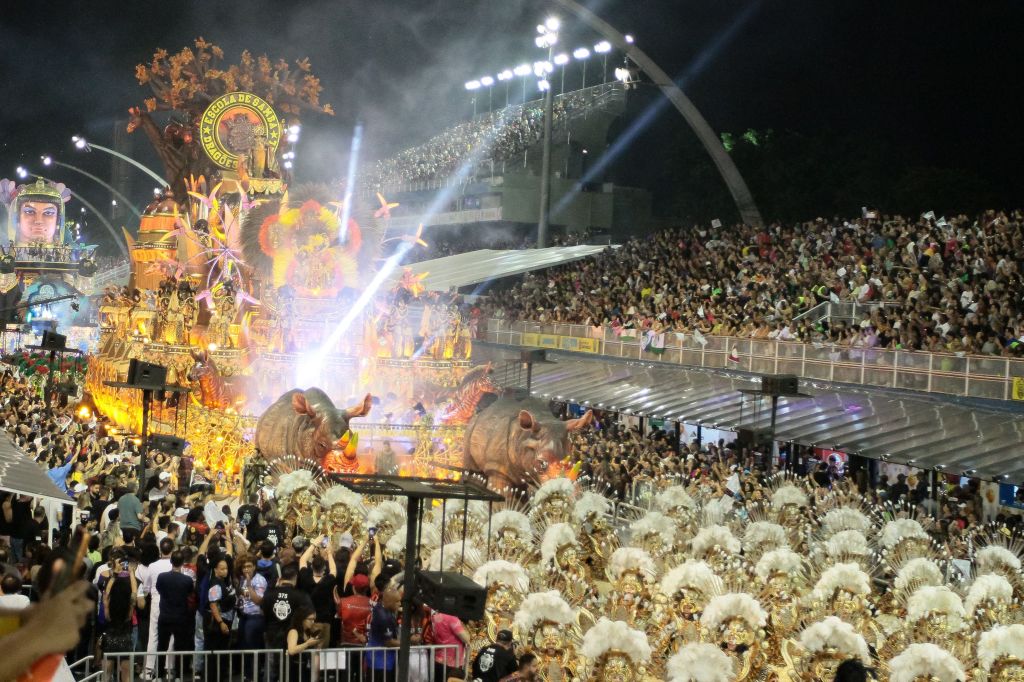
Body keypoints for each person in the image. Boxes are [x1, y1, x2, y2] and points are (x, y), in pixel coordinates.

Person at [263, 562, 314, 680]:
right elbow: (309, 614)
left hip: (272, 635)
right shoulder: (301, 596)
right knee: (289, 671)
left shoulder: (269, 594)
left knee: (270, 669)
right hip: (292, 637)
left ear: (281, 578)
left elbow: (264, 612)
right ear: (295, 578)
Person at [155, 550, 195, 679]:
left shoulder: (162, 577)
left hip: (165, 616)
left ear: (171, 561)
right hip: (181, 617)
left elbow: (159, 589)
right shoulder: (187, 580)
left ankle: (159, 675)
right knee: (180, 648)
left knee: (161, 646)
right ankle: (179, 675)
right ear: (183, 562)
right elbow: (190, 593)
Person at [139, 537, 175, 678]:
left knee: (153, 635)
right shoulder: (175, 564)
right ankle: (168, 669)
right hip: (171, 602)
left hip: (156, 602)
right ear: (172, 549)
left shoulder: (152, 566)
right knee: (171, 634)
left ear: (161, 549)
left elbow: (146, 587)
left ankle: (149, 670)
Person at [100, 559, 137, 682]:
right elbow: (134, 593)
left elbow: (107, 593)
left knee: (106, 673)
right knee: (126, 674)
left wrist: (114, 574)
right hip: (125, 637)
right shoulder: (129, 609)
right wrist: (131, 573)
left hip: (110, 637)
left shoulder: (108, 605)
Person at [298, 534, 337, 647]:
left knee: (306, 648)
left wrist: (314, 544)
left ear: (312, 567)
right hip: (323, 620)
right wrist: (329, 552)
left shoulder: (305, 577)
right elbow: (333, 570)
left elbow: (302, 560)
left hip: (306, 620)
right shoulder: (328, 581)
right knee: (320, 652)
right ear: (325, 568)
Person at [206, 556, 238, 680]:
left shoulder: (224, 582)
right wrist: (221, 622)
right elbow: (213, 604)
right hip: (219, 623)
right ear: (215, 570)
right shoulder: (215, 584)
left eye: (226, 568)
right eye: (222, 569)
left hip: (227, 620)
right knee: (217, 654)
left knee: (223, 653)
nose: (225, 571)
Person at [366, 585, 401, 682]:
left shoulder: (379, 606)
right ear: (389, 602)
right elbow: (389, 642)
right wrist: (408, 643)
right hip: (381, 662)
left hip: (377, 660)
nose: (400, 604)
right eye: (397, 601)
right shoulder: (384, 618)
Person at [431, 608, 471, 681]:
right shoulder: (452, 618)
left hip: (438, 660)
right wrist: (463, 626)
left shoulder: (435, 617)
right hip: (452, 663)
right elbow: (466, 638)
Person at [286, 606, 321, 682]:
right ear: (302, 619)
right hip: (295, 669)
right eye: (310, 619)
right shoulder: (294, 631)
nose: (313, 622)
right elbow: (291, 650)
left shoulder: (308, 632)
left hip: (306, 668)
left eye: (314, 619)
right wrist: (307, 644)